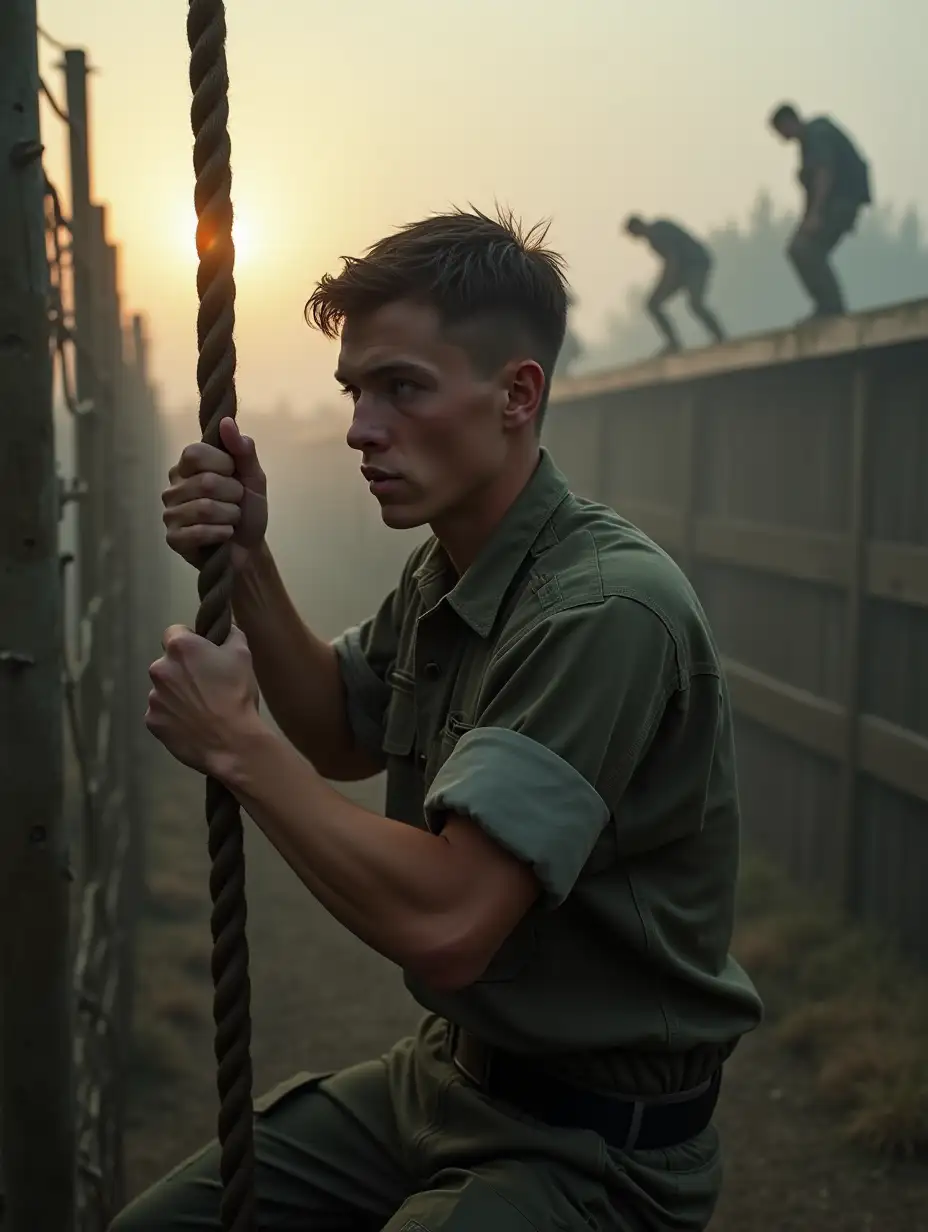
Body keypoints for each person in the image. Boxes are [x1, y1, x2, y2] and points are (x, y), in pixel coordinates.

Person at [113, 207, 763, 1231]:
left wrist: (237, 746)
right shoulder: (456, 567)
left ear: (517, 394)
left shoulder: (602, 608)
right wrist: (248, 561)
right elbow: (339, 728)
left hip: (593, 1146)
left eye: (403, 388)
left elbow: (449, 922)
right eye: (357, 391)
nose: (362, 428)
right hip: (443, 1081)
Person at [768, 102, 872, 319]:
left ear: (788, 122)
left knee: (804, 249)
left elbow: (825, 173)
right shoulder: (809, 141)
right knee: (804, 250)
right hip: (838, 203)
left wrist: (816, 214)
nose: (780, 138)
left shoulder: (816, 134)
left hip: (841, 202)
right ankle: (828, 306)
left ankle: (831, 307)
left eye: (780, 131)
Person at [623, 215, 726, 354]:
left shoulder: (657, 233)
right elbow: (672, 263)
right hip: (683, 270)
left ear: (638, 226)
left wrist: (664, 284)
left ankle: (719, 337)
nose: (635, 238)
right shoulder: (654, 237)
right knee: (653, 304)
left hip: (696, 264)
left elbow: (673, 260)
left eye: (634, 234)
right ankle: (673, 343)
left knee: (695, 303)